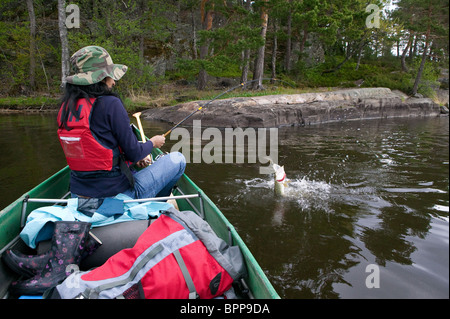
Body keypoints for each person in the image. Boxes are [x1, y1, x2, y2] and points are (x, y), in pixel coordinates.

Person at [57, 45, 186, 201]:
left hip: (78, 194)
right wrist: (152, 143)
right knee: (178, 159)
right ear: (102, 78)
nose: (114, 82)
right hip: (116, 196)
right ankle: (156, 202)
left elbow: (101, 146)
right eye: (111, 76)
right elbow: (134, 152)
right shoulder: (111, 104)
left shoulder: (66, 107)